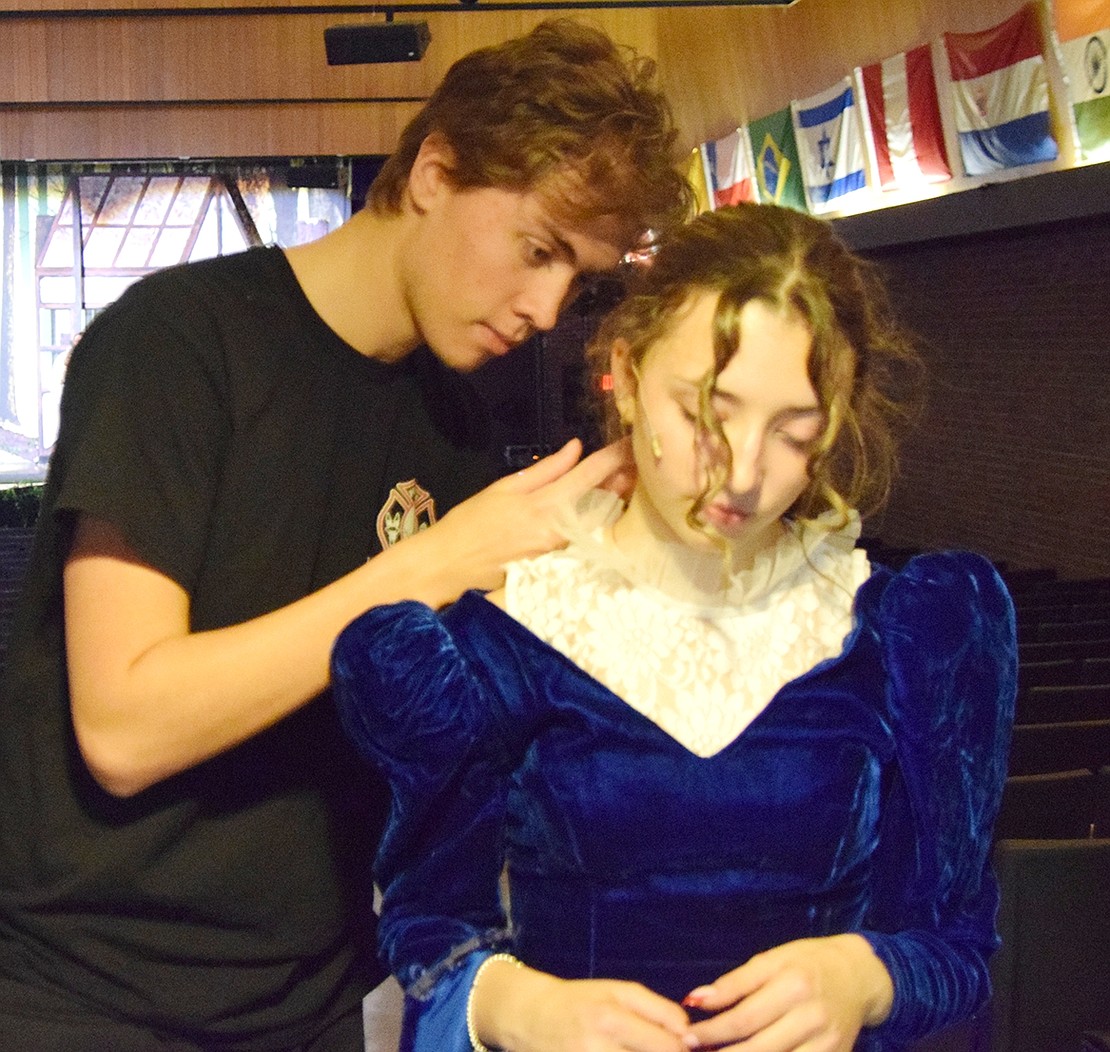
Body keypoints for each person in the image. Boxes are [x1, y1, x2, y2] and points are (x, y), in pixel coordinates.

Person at [0, 20, 691, 1052]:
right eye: (538, 249)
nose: (549, 308)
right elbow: (125, 726)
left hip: (313, 993)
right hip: (88, 992)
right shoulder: (176, 342)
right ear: (434, 169)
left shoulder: (452, 419)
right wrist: (431, 565)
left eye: (577, 279)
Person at [331, 202, 1019, 1052]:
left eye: (793, 432)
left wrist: (868, 978)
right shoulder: (509, 638)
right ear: (625, 368)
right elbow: (432, 934)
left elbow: (956, 948)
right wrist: (517, 1007)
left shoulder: (904, 637)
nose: (743, 471)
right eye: (703, 413)